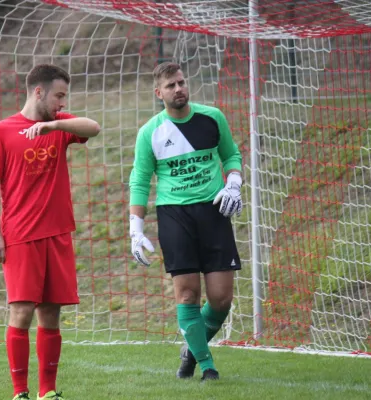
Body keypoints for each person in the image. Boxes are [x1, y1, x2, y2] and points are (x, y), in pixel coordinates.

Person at [0, 64, 100, 400]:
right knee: (21, 311)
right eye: (58, 95)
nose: (62, 102)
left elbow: (94, 128)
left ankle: (48, 392)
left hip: (58, 233)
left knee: (51, 312)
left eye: (65, 97)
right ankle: (20, 393)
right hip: (19, 235)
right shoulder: (2, 131)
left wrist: (53, 124)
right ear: (38, 92)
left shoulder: (58, 125)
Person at [128, 61, 243, 381]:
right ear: (158, 93)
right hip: (174, 215)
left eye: (181, 83)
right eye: (170, 86)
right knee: (188, 295)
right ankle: (207, 367)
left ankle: (191, 347)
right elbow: (139, 180)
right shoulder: (150, 132)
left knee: (221, 299)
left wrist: (233, 182)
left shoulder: (212, 118)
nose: (178, 89)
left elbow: (231, 156)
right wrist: (135, 229)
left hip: (213, 211)